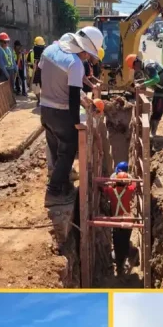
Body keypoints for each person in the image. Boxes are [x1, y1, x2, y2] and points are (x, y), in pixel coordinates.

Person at [38, 27, 104, 207]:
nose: (86, 58)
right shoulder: (74, 63)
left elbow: (40, 77)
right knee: (67, 151)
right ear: (83, 49)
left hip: (45, 109)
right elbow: (74, 97)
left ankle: (61, 181)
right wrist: (77, 123)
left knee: (54, 147)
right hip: (62, 113)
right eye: (88, 55)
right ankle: (54, 192)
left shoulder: (50, 50)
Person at [126, 54, 163, 137]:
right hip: (159, 89)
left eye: (134, 67)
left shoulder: (148, 66)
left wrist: (142, 85)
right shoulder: (145, 66)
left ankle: (153, 133)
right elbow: (149, 78)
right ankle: (149, 132)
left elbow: (156, 79)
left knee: (157, 111)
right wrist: (139, 81)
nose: (135, 69)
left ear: (136, 63)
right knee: (154, 108)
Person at [103, 163, 137, 276]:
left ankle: (119, 264)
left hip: (116, 222)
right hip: (127, 221)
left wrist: (110, 182)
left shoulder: (111, 191)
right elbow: (135, 184)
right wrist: (129, 178)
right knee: (125, 240)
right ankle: (125, 258)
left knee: (117, 243)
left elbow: (102, 188)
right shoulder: (129, 190)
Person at [27, 36, 47, 106]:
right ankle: (39, 100)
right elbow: (28, 62)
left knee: (43, 87)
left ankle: (43, 101)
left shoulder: (45, 53)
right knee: (35, 86)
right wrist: (33, 65)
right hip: (36, 71)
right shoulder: (31, 52)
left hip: (42, 71)